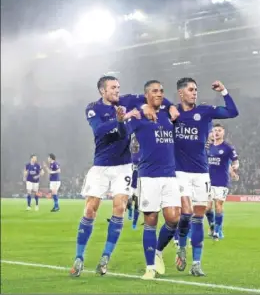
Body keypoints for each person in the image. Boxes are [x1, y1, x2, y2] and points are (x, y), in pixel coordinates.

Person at [69, 75, 178, 278]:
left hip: (123, 166)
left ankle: (106, 257)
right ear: (102, 90)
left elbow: (154, 95)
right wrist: (126, 116)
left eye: (118, 87)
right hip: (100, 166)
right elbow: (100, 130)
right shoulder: (93, 108)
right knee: (91, 208)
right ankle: (79, 257)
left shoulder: (126, 100)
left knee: (119, 206)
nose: (117, 91)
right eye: (113, 88)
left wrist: (171, 106)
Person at [154, 78, 238, 277]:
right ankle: (181, 246)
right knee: (185, 213)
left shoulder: (205, 111)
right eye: (191, 90)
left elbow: (233, 112)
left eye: (196, 90)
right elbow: (151, 102)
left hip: (201, 172)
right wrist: (168, 105)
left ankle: (196, 263)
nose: (195, 93)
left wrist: (224, 91)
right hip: (179, 172)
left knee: (198, 218)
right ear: (181, 93)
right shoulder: (172, 112)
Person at [123, 80, 181, 280]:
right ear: (146, 95)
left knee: (174, 218)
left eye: (162, 91)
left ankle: (157, 250)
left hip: (170, 174)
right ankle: (150, 268)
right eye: (155, 91)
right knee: (151, 220)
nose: (160, 94)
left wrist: (171, 105)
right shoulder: (138, 116)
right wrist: (133, 113)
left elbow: (172, 105)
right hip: (148, 176)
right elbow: (124, 129)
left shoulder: (167, 113)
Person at [207, 123, 239, 240]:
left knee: (218, 205)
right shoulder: (209, 147)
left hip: (222, 180)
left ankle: (217, 231)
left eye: (219, 130)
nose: (216, 132)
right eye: (215, 130)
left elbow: (234, 161)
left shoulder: (228, 147)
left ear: (223, 132)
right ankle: (212, 225)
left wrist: (234, 169)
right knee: (207, 207)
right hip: (208, 180)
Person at [126, 135, 141, 229]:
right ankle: (129, 209)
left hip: (139, 180)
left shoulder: (143, 154)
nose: (135, 145)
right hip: (130, 180)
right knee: (128, 201)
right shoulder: (129, 156)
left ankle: (134, 223)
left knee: (137, 203)